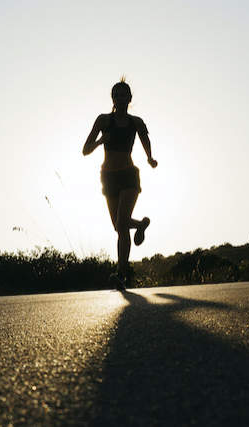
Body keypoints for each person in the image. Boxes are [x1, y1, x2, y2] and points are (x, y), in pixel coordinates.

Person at [82, 78, 157, 290]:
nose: (120, 98)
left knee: (122, 224)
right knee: (118, 226)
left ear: (130, 98)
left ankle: (121, 274)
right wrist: (100, 141)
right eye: (116, 94)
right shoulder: (103, 120)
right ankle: (141, 224)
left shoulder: (136, 122)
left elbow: (145, 140)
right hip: (108, 177)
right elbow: (85, 150)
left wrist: (150, 158)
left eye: (124, 94)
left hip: (128, 175)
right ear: (112, 98)